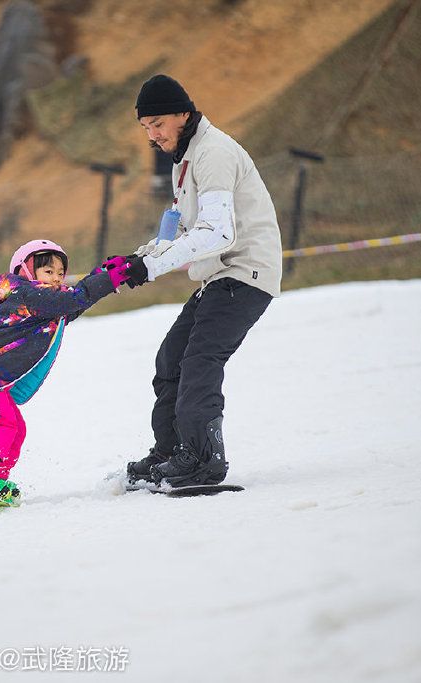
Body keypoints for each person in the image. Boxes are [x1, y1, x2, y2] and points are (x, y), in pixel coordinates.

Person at [122, 74, 283, 491]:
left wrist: (154, 268)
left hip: (245, 272)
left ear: (184, 114)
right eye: (146, 128)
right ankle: (173, 452)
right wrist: (136, 260)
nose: (153, 135)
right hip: (219, 276)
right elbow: (176, 232)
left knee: (199, 362)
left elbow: (217, 233)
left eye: (158, 124)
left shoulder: (213, 152)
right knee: (171, 360)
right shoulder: (185, 158)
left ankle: (203, 461)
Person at [0, 240, 137, 502]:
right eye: (48, 272)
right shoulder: (29, 295)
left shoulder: (46, 305)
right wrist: (108, 279)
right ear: (26, 272)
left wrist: (104, 275)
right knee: (2, 422)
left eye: (60, 273)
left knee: (16, 427)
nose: (56, 278)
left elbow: (73, 305)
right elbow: (74, 298)